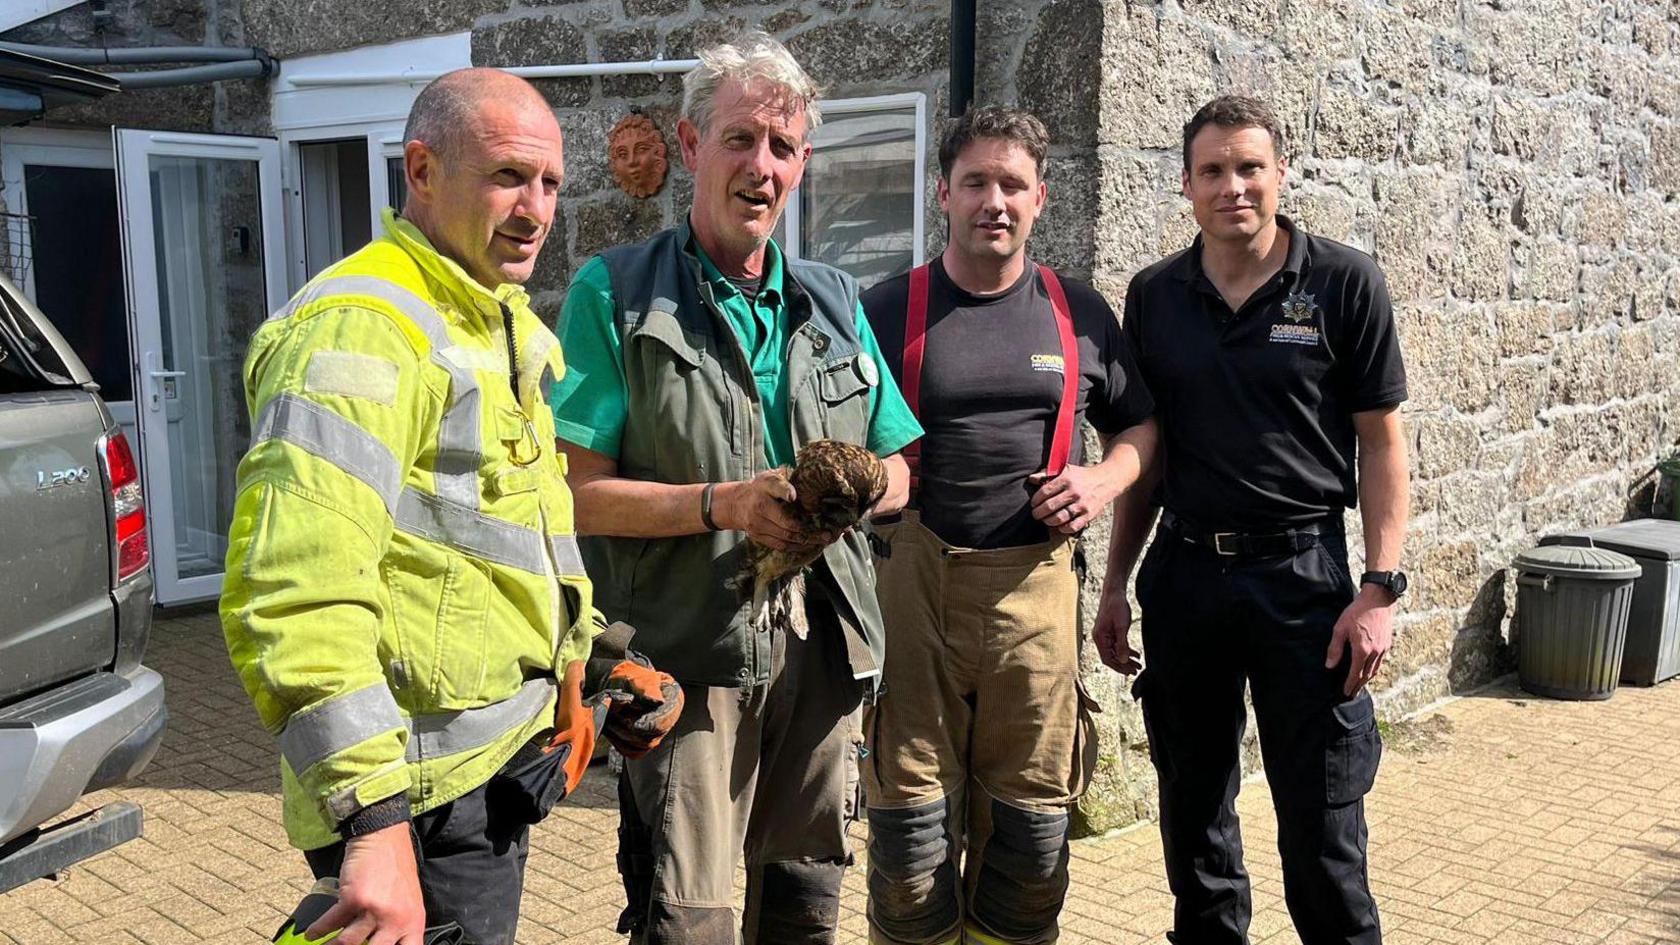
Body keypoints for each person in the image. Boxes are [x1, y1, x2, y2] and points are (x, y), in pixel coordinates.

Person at [221, 68, 680, 945]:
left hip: (487, 780)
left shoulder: (491, 317)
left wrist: (589, 665)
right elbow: (293, 590)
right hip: (416, 801)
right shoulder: (363, 326)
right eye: (509, 176)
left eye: (549, 183)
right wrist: (372, 824)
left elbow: (509, 537)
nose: (536, 209)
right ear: (421, 170)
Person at [548, 30, 924, 945]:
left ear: (801, 166)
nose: (763, 165)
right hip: (689, 660)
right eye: (741, 139)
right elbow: (573, 494)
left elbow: (905, 471)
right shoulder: (617, 295)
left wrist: (856, 487)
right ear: (688, 146)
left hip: (825, 652)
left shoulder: (834, 297)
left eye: (784, 147)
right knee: (690, 920)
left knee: (803, 906)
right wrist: (723, 503)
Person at [1096, 94, 1409, 945]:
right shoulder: (1155, 296)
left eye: (1249, 167)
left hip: (1306, 584)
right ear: (1187, 187)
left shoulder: (1345, 283)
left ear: (1280, 175)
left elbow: (1383, 445)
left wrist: (1379, 588)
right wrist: (1116, 585)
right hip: (1187, 575)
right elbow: (1147, 457)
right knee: (1194, 820)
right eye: (1213, 171)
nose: (1233, 185)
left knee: (1323, 833)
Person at [857, 106, 1157, 945]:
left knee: (1029, 848)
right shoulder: (885, 310)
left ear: (1040, 198)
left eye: (1013, 184)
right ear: (942, 194)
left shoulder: (1080, 313)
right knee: (909, 844)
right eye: (977, 182)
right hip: (909, 597)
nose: (996, 200)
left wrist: (1101, 478)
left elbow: (1140, 431)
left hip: (1035, 599)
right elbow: (834, 443)